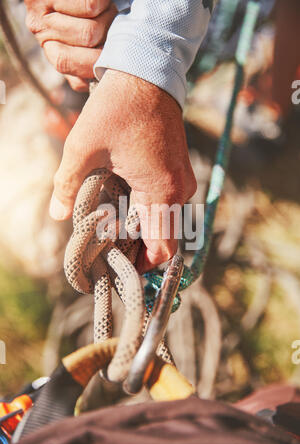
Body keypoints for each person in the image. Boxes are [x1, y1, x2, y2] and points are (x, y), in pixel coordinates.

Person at [23, 0, 216, 273]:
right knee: (66, 131)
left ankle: (120, 230)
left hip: (169, 42)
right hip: (66, 67)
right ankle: (83, 239)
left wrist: (144, 67)